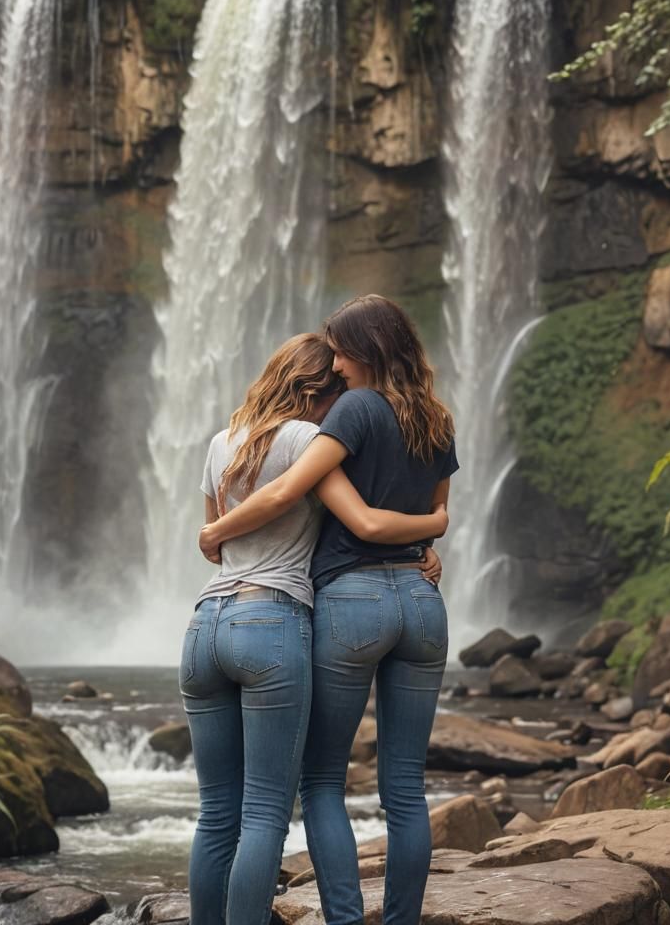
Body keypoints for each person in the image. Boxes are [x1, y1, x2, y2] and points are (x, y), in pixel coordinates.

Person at [199, 295, 457, 925]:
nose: (336, 365)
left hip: (350, 602)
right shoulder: (438, 418)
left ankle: (344, 919)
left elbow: (295, 490)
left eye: (341, 350)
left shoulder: (353, 409)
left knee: (320, 782)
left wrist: (214, 534)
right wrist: (435, 531)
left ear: (365, 349)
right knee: (406, 790)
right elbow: (436, 510)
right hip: (423, 605)